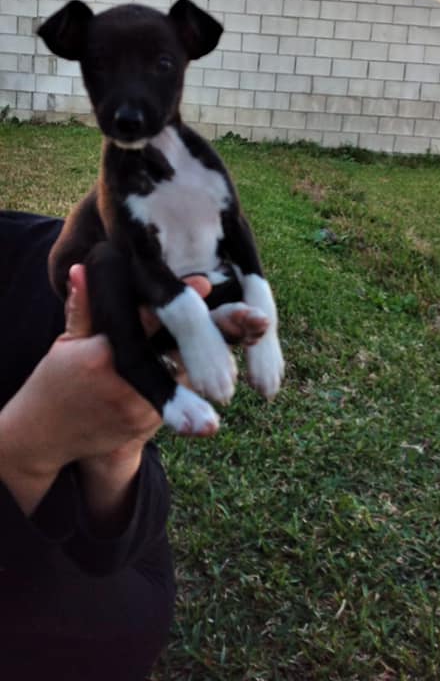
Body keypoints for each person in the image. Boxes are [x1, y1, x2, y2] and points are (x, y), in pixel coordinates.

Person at [0, 210, 268, 681]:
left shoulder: (49, 261)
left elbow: (129, 556)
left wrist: (118, 444)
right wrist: (28, 449)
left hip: (112, 555)